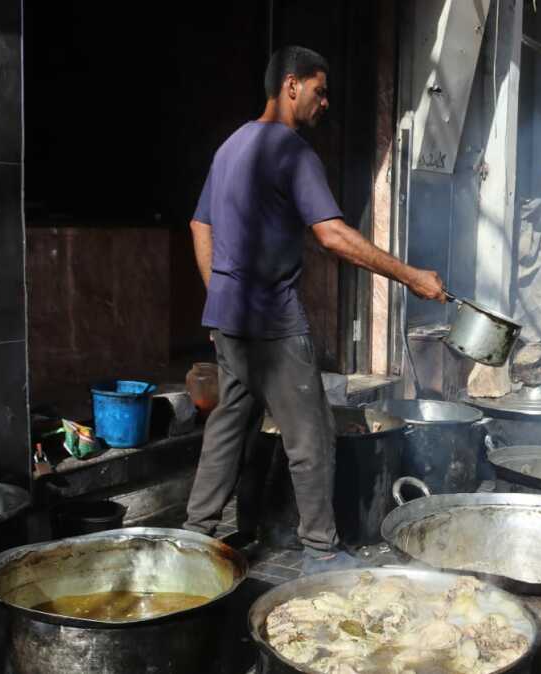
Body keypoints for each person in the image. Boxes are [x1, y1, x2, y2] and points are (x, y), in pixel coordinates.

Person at [184, 46, 446, 575]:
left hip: (228, 319)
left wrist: (219, 294)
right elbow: (331, 234)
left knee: (229, 427)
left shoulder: (230, 147)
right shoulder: (292, 152)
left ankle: (194, 537)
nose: (325, 103)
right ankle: (321, 553)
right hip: (274, 321)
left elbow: (199, 226)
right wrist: (412, 275)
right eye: (320, 91)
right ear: (291, 85)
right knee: (312, 435)